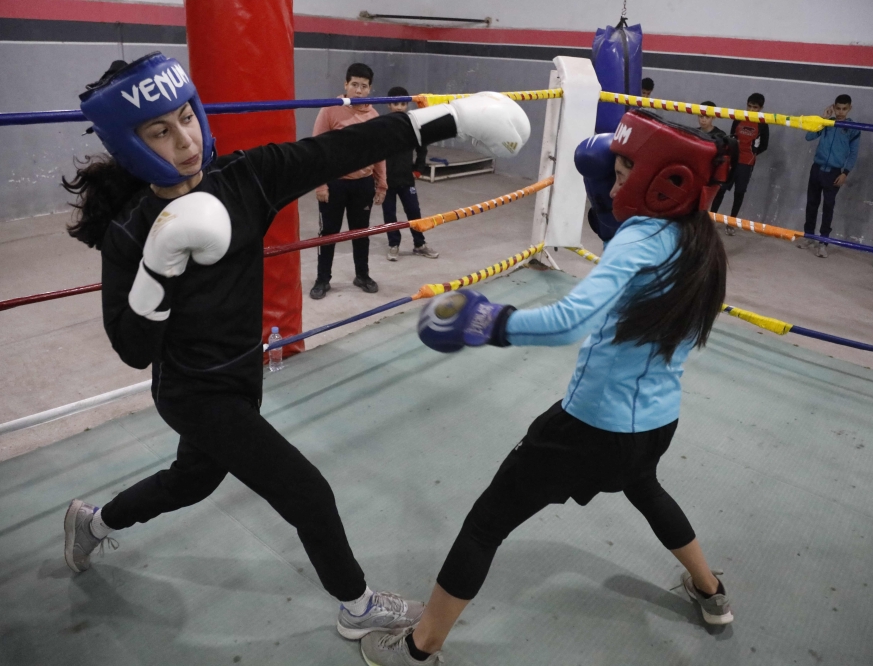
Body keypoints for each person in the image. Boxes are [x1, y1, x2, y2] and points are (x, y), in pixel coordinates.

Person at [59, 52, 530, 642]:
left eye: (186, 117)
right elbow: (132, 349)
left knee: (192, 480)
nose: (183, 140)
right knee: (307, 492)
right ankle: (356, 607)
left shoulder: (246, 178)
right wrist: (159, 265)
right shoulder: (132, 230)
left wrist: (450, 118)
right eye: (159, 131)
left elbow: (341, 151)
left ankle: (93, 522)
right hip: (192, 391)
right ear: (129, 142)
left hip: (241, 374)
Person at [362, 110, 735, 665]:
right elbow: (632, 262)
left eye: (627, 169)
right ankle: (710, 593)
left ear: (665, 182)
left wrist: (488, 321)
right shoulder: (699, 241)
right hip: (656, 423)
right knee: (644, 488)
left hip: (590, 427)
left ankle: (418, 649)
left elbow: (569, 321)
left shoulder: (640, 238)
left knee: (485, 523)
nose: (614, 179)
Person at [311, 63, 387, 299]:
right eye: (354, 84)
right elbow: (317, 150)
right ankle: (323, 280)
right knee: (329, 234)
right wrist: (321, 184)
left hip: (362, 184)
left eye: (364, 86)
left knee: (360, 233)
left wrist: (381, 183)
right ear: (345, 85)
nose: (359, 90)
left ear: (370, 89)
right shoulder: (330, 110)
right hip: (334, 184)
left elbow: (379, 153)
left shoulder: (374, 116)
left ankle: (362, 275)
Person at [799, 94, 860, 258]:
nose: (840, 112)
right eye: (837, 108)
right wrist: (822, 118)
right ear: (833, 107)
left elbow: (853, 153)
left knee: (828, 207)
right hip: (817, 169)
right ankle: (809, 236)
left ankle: (823, 242)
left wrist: (845, 173)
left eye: (844, 109)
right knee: (812, 204)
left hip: (834, 173)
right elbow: (809, 136)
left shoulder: (853, 128)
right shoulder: (826, 122)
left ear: (849, 108)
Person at [383, 87, 438, 261]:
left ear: (407, 104)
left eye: (403, 104)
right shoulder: (382, 125)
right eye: (395, 103)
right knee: (389, 214)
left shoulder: (412, 125)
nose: (399, 107)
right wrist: (377, 177)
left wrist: (418, 169)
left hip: (407, 179)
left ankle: (419, 244)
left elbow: (422, 147)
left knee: (414, 212)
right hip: (387, 181)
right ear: (388, 105)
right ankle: (393, 245)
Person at [711, 93, 769, 235]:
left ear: (761, 108)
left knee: (739, 193)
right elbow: (732, 137)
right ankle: (711, 219)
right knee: (721, 189)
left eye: (755, 107)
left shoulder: (762, 124)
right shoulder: (738, 118)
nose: (751, 109)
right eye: (749, 106)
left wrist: (752, 153)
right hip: (732, 160)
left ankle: (732, 222)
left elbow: (764, 145)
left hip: (746, 164)